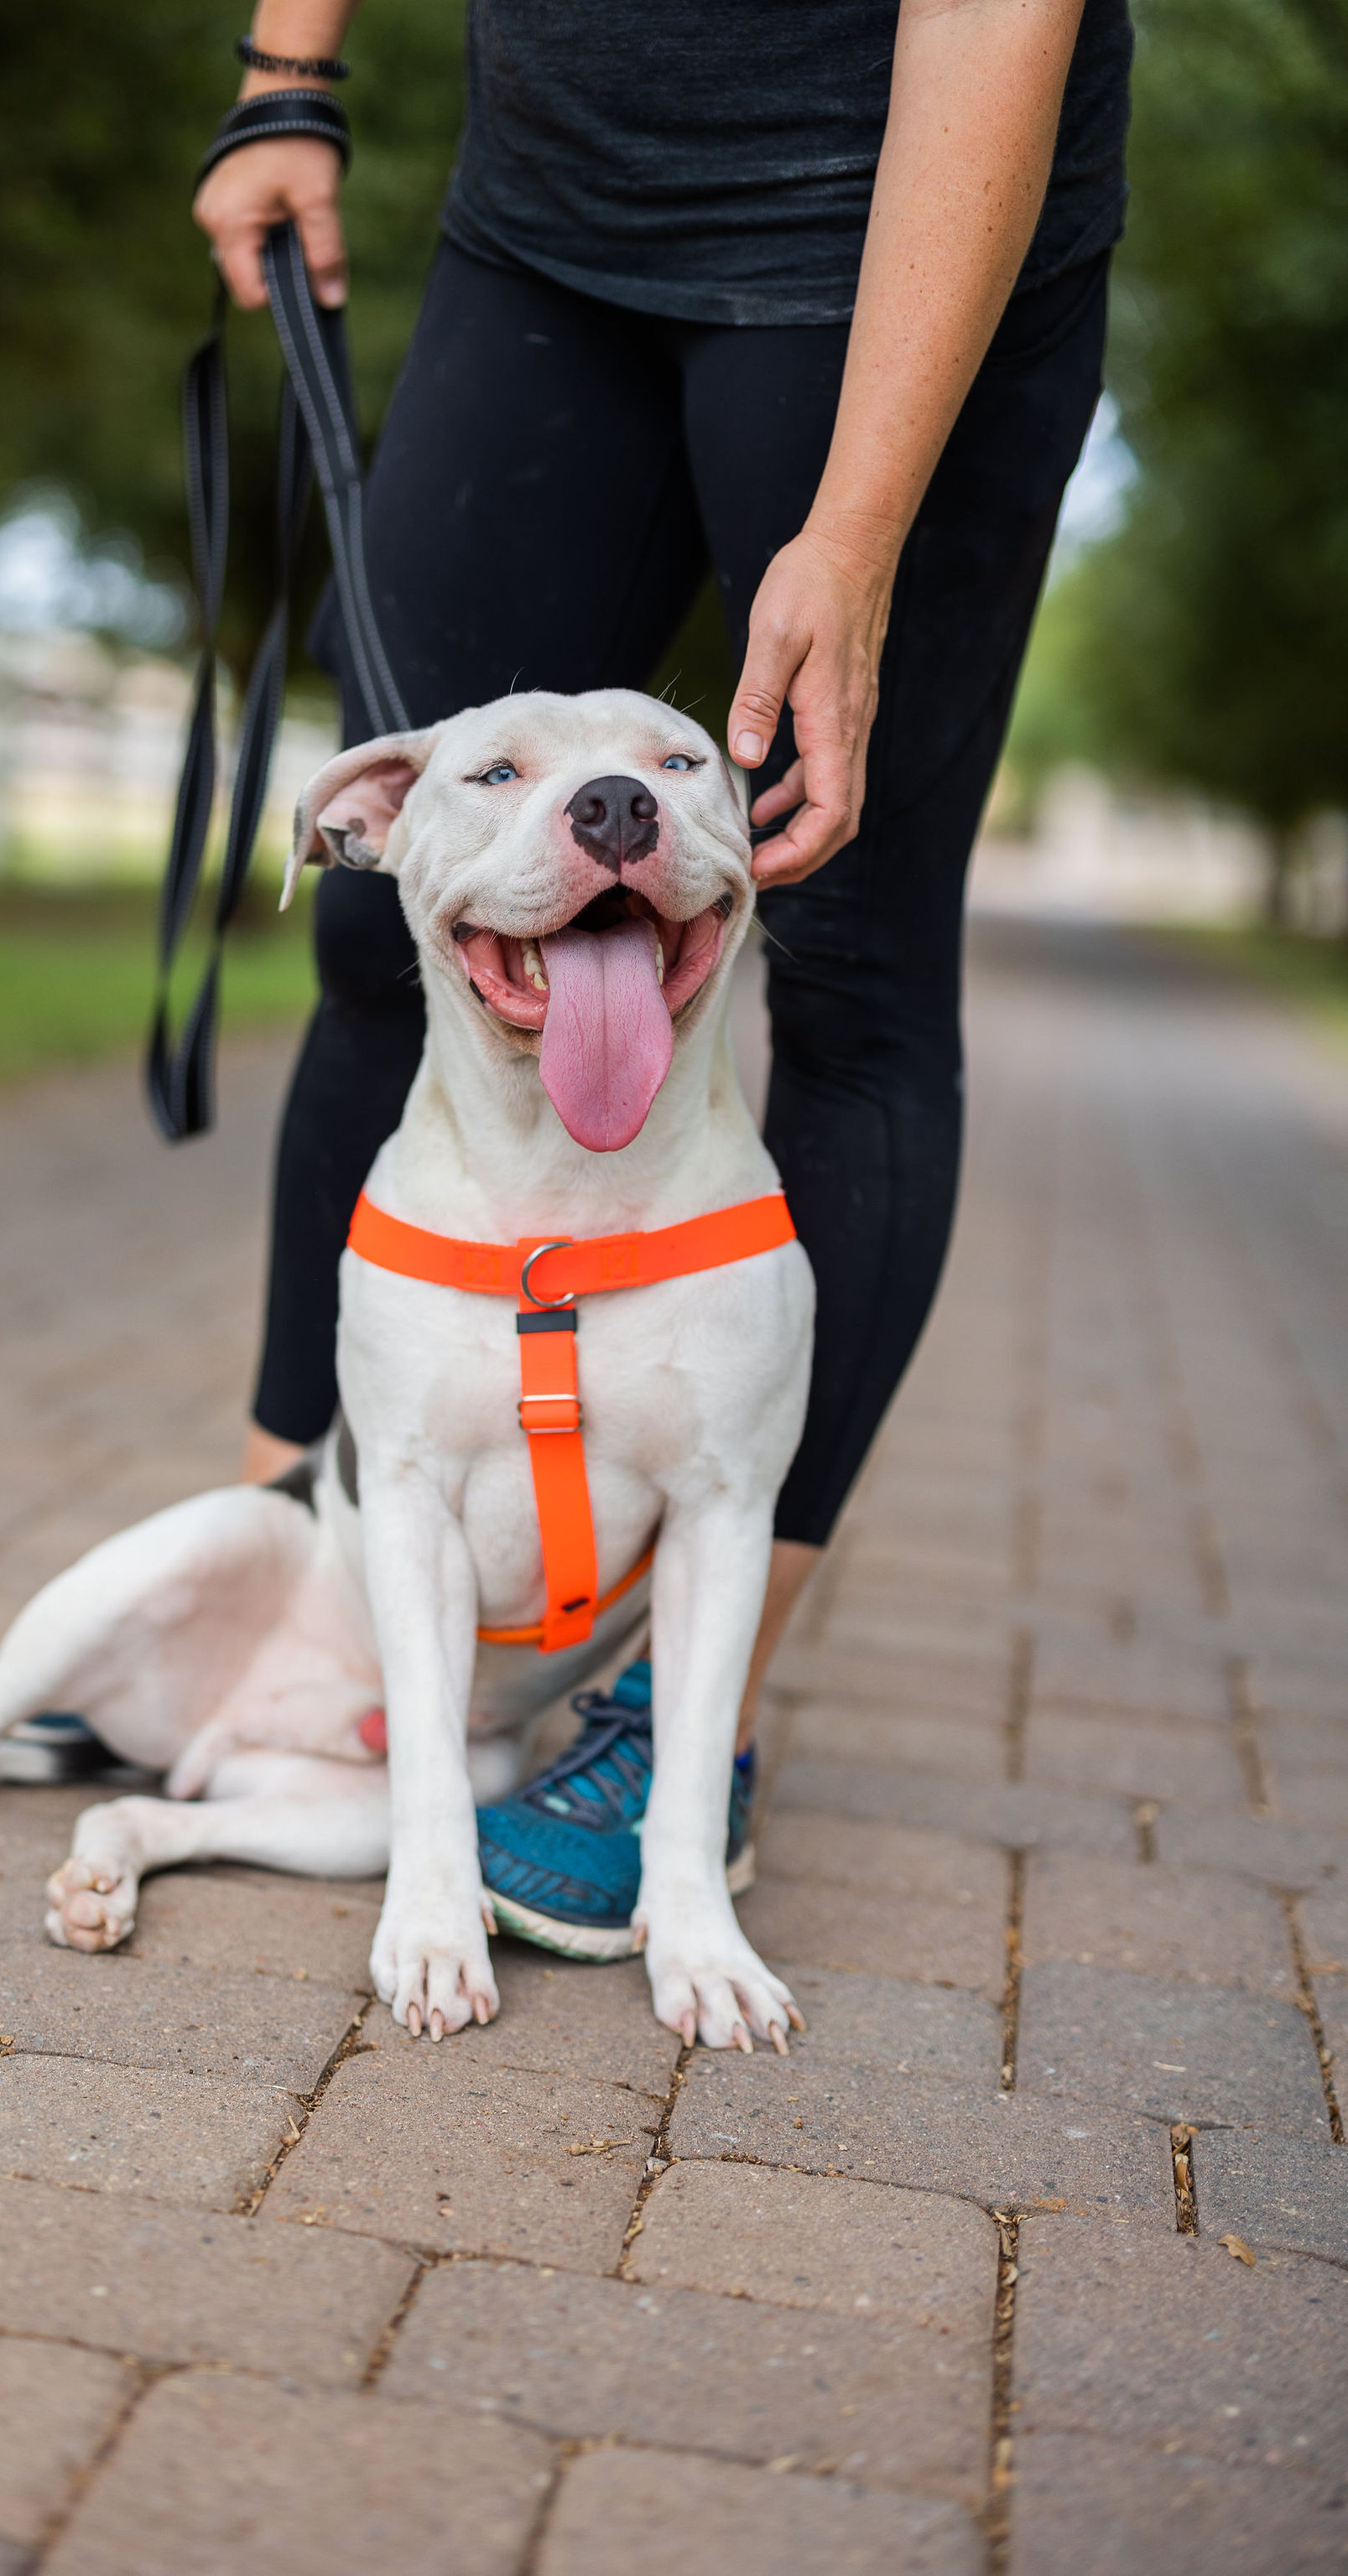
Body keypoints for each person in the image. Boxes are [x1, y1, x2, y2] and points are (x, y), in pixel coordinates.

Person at [195, 0, 1128, 1956]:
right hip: (547, 205)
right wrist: (288, 73)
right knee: (402, 919)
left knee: (851, 965)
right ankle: (277, 1614)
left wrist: (856, 531)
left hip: (891, 239)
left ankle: (675, 1733)